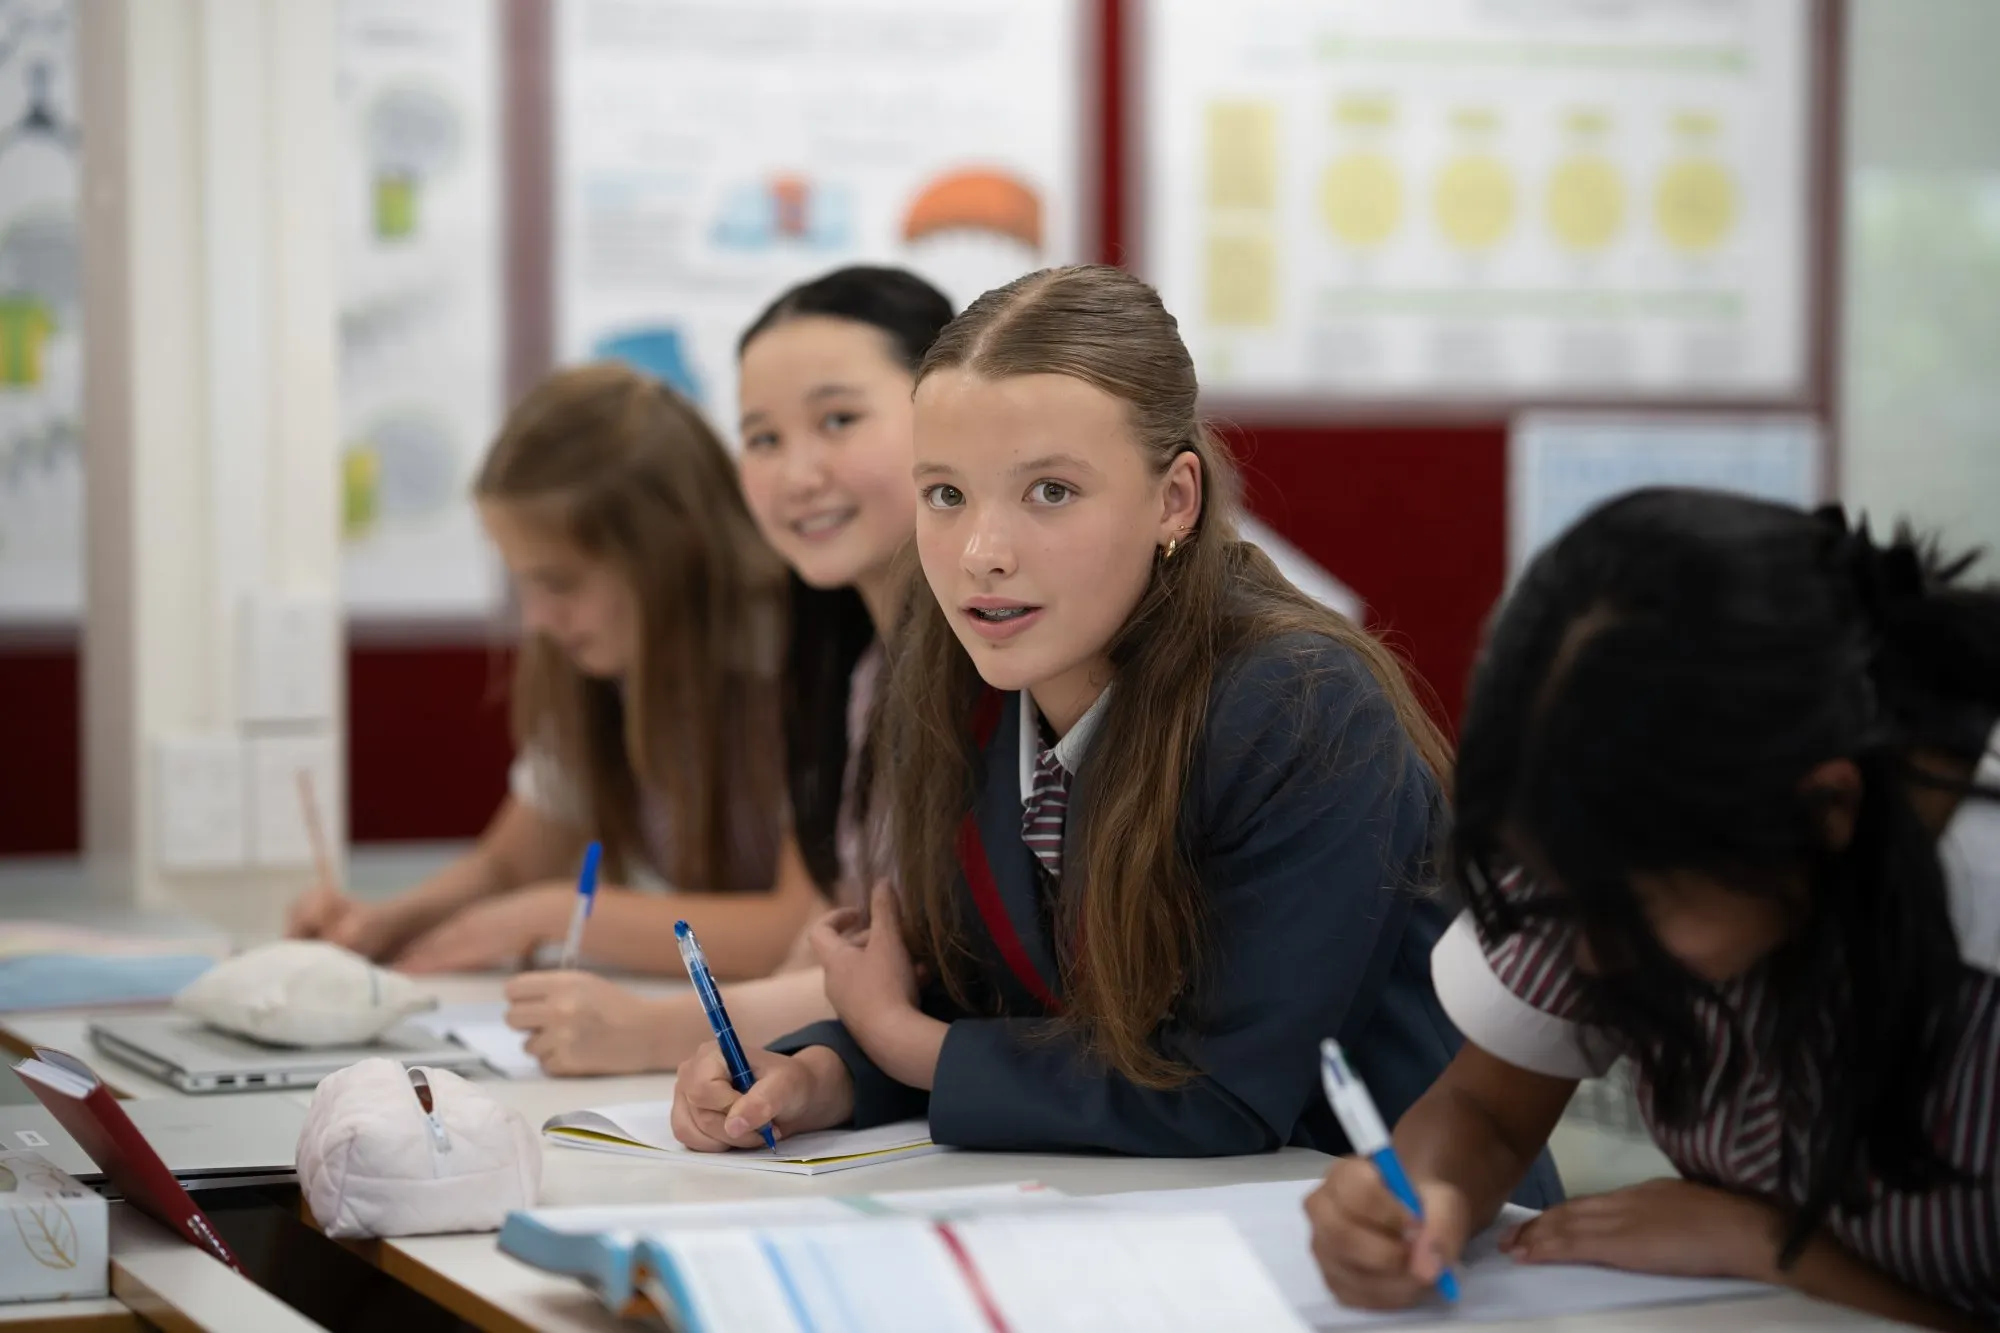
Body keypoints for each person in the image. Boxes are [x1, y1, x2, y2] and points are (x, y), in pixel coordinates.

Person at [670, 264, 1564, 1188]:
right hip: (1129, 1209)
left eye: (1051, 491)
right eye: (946, 494)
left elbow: (1222, 1093)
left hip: (1378, 1232)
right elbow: (980, 997)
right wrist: (821, 1073)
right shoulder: (955, 675)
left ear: (1175, 499)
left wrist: (899, 1041)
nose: (983, 553)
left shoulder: (1302, 704)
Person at [1304, 489, 1999, 1330]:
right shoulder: (1610, 824)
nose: (1590, 962)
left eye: (1639, 911)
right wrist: (1414, 1196)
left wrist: (1778, 1247)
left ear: (1824, 811)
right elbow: (1486, 1109)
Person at [498, 267, 958, 1073]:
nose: (796, 473)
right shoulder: (859, 674)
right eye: (762, 438)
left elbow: (938, 972)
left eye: (838, 419)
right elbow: (838, 937)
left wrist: (657, 1031)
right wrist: (759, 1061)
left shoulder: (1003, 656)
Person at [287, 363, 813, 979]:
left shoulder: (810, 667)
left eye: (558, 582)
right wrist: (387, 920)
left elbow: (794, 931)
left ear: (669, 560)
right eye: (523, 582)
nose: (536, 618)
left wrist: (561, 915)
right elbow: (510, 866)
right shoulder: (598, 668)